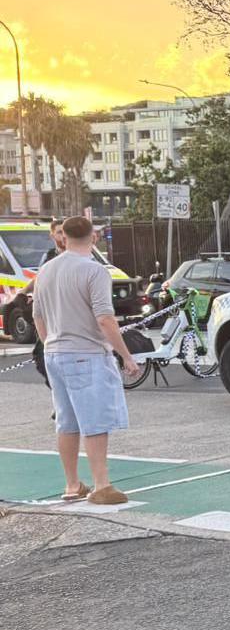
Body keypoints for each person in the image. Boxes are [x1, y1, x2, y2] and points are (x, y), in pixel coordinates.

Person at [31, 216, 139, 504]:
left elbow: (37, 316)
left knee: (66, 421)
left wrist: (49, 343)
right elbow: (105, 318)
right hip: (86, 353)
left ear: (62, 237)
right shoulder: (95, 272)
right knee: (95, 420)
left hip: (54, 351)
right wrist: (125, 355)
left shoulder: (45, 271)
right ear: (94, 238)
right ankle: (102, 485)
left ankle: (72, 484)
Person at [28, 218, 66, 387]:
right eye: (59, 232)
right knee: (41, 354)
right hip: (51, 312)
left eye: (65, 231)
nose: (63, 236)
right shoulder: (49, 257)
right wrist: (24, 293)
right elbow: (39, 279)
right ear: (52, 235)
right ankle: (56, 389)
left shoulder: (81, 254)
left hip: (69, 312)